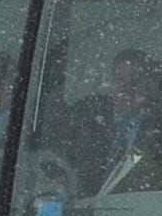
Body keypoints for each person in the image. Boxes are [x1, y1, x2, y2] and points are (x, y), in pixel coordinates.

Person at [64, 48, 153, 195]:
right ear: (111, 82)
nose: (125, 87)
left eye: (135, 81)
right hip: (82, 206)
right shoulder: (86, 115)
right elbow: (60, 163)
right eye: (119, 79)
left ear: (149, 86)